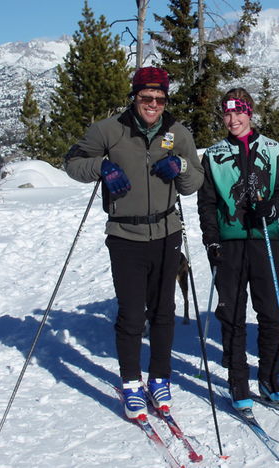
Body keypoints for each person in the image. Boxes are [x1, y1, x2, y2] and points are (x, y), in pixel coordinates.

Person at [65, 66, 204, 419]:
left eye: (160, 98)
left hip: (166, 231)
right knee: (131, 313)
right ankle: (130, 383)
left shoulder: (177, 132)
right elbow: (73, 161)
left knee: (163, 311)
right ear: (135, 96)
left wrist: (182, 168)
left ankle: (160, 379)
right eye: (146, 97)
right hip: (125, 234)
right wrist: (101, 167)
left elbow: (195, 182)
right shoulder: (110, 130)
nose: (153, 104)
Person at [197, 88, 279, 409]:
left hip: (265, 239)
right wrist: (210, 238)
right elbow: (207, 202)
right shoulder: (213, 154)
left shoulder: (272, 149)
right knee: (233, 314)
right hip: (230, 243)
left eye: (239, 112)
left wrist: (272, 210)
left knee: (270, 311)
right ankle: (238, 381)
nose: (233, 119)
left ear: (250, 113)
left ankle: (269, 377)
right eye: (227, 113)